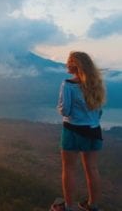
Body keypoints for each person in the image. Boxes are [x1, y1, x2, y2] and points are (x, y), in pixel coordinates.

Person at [50, 51, 106, 211]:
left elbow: (65, 111)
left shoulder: (68, 84)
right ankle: (92, 205)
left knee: (69, 169)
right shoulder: (96, 84)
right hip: (94, 131)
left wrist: (59, 108)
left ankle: (68, 206)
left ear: (75, 65)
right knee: (92, 169)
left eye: (68, 62)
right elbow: (99, 111)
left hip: (73, 130)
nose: (66, 65)